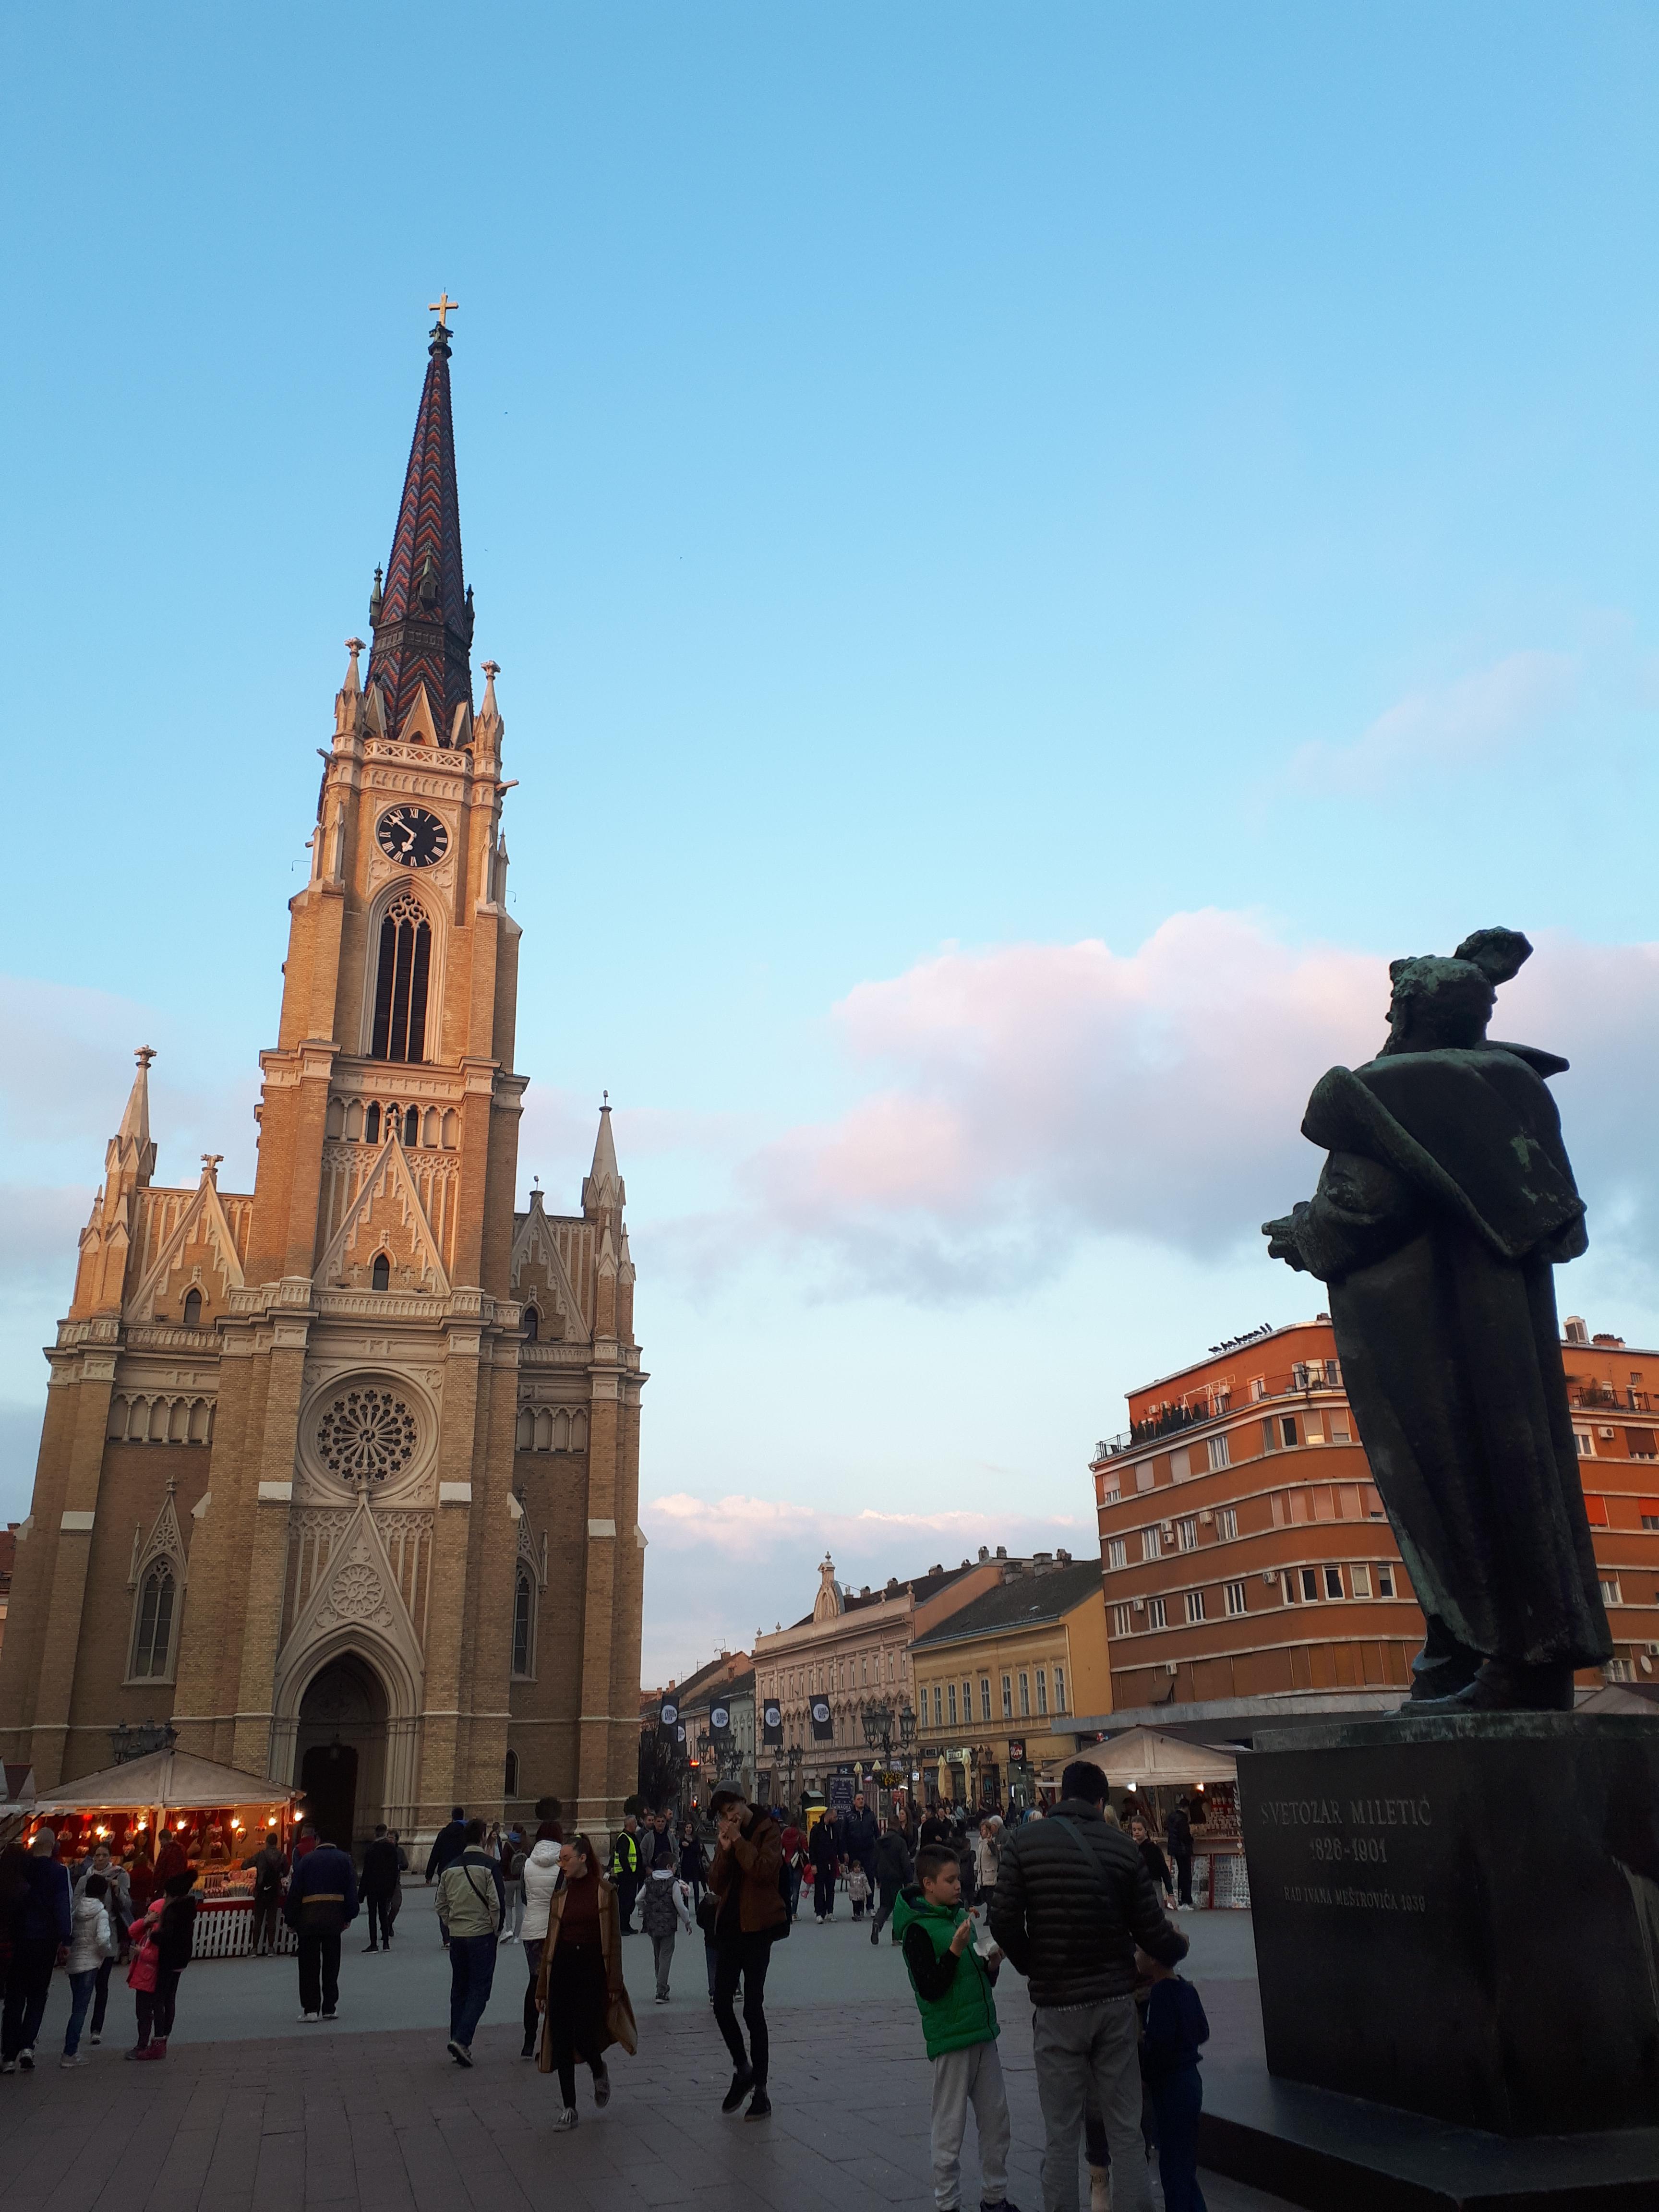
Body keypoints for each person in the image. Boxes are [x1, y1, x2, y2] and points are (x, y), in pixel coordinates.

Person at [989, 1760, 1187, 2212]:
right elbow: (1152, 1932)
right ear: (1101, 1802)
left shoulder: (1023, 1843)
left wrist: (1033, 1964)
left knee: (1061, 2134)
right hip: (1115, 2003)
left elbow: (1001, 1919)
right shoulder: (1123, 1848)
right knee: (1125, 2129)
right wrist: (1178, 1949)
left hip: (1057, 2007)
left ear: (1061, 1795)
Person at [896, 1842, 1019, 2212]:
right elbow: (931, 1988)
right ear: (928, 1884)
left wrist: (991, 1966)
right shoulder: (919, 1931)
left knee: (997, 2122)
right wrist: (953, 1950)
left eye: (958, 1879)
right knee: (949, 2128)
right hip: (951, 2039)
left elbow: (973, 1978)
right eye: (950, 1881)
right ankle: (947, 2203)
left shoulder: (955, 1918)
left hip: (983, 2032)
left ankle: (995, 2197)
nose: (958, 1886)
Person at [534, 1834, 635, 2129]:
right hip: (563, 1970)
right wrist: (542, 1988)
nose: (561, 1864)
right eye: (559, 1859)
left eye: (566, 1858)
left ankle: (597, 2067)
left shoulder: (605, 1892)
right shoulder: (560, 1897)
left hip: (592, 1971)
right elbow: (549, 1945)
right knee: (562, 2037)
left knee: (584, 2034)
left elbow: (614, 1941)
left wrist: (614, 1983)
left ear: (582, 1858)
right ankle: (569, 2107)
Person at [705, 1783, 784, 2121]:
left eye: (732, 1809)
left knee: (753, 2008)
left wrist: (737, 1842)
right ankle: (743, 2068)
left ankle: (762, 2092)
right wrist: (724, 1850)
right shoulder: (730, 1836)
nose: (730, 1817)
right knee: (722, 2004)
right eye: (724, 1815)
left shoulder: (769, 1830)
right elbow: (715, 1884)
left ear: (743, 1801)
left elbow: (765, 1872)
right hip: (731, 1929)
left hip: (758, 1930)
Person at [1138, 1945, 1211, 2212]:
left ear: (1154, 1959)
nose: (1135, 1958)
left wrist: (1145, 2067)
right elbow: (1202, 2031)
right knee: (1185, 2163)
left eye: (1139, 1952)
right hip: (1192, 2080)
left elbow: (1159, 2047)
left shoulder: (1160, 1993)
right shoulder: (1186, 1988)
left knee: (1171, 2166)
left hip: (1171, 2088)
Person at [436, 1817, 506, 2066]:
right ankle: (462, 2040)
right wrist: (496, 1930)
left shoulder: (450, 1867)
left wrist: (452, 1923)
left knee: (459, 1989)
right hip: (482, 1935)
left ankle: (457, 2038)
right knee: (479, 1989)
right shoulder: (490, 1866)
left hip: (458, 1935)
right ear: (483, 1837)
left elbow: (440, 1905)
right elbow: (497, 1903)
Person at [1, 1827, 71, 2073]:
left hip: (19, 1940)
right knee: (38, 1995)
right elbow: (64, 1905)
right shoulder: (59, 1872)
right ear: (53, 1847)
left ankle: (8, 2054)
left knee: (14, 1997)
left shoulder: (20, 1869)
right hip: (45, 1941)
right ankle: (28, 2047)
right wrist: (66, 1940)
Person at [284, 1824, 358, 2023]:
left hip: (308, 1919)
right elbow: (351, 1891)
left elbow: (295, 1893)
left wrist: (291, 1919)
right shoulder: (345, 1860)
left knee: (309, 1965)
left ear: (317, 1839)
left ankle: (311, 2009)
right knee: (332, 1964)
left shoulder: (307, 1861)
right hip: (334, 1918)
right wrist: (349, 1916)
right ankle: (329, 2007)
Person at [125, 1868, 196, 2061]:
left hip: (169, 1959)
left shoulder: (173, 1910)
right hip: (180, 1960)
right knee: (168, 1999)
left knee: (160, 2001)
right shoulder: (187, 1908)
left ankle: (158, 2041)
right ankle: (162, 2039)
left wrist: (153, 1936)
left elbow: (168, 1937)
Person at [73, 1844, 132, 2043]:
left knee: (102, 1984)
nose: (100, 1859)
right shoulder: (84, 1879)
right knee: (83, 1985)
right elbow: (75, 1904)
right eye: (97, 1855)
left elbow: (127, 1905)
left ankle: (96, 2028)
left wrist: (117, 1891)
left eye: (104, 1855)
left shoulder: (119, 1875)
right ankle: (78, 2023)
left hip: (109, 1933)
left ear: (110, 1857)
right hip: (86, 1935)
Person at [518, 1820, 563, 2059]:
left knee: (535, 1982)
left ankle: (528, 2042)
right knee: (555, 1984)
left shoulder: (528, 1863)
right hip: (554, 1930)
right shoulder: (562, 1864)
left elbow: (525, 1897)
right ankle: (551, 2040)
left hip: (531, 1929)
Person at [60, 1871, 114, 2067]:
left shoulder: (76, 1910)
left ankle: (70, 2049)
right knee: (80, 2010)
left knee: (76, 2007)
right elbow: (103, 1939)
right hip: (90, 1963)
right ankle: (70, 2052)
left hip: (75, 1961)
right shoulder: (101, 1913)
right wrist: (105, 1951)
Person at [638, 1850, 695, 2003]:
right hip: (668, 1924)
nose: (676, 1869)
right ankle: (661, 1990)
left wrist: (647, 1910)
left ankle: (660, 1983)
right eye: (675, 1866)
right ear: (669, 1867)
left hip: (652, 1923)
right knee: (666, 1956)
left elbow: (639, 1899)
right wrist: (687, 1922)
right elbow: (680, 1905)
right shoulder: (673, 1883)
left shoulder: (649, 1881)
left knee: (657, 1955)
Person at [425, 1807, 468, 1943]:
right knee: (461, 1904)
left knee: (444, 1903)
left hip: (445, 1872)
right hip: (463, 1872)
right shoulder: (467, 1833)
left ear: (452, 1817)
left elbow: (436, 1853)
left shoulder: (444, 1833)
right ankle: (459, 1934)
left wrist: (429, 1874)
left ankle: (446, 1937)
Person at [873, 1819, 915, 1944]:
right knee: (898, 1908)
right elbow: (905, 1862)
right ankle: (896, 1936)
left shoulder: (879, 1842)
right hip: (897, 1879)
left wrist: (878, 1878)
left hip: (884, 1878)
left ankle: (877, 1924)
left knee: (885, 1905)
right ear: (897, 1826)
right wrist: (909, 1880)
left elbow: (875, 1861)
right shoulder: (900, 1842)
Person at [246, 1830, 287, 1958]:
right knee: (272, 1920)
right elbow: (286, 1872)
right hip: (274, 1892)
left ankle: (254, 1948)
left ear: (267, 1842)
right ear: (276, 1842)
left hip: (261, 1891)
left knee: (258, 1920)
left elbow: (245, 1865)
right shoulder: (282, 1856)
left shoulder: (261, 1855)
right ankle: (271, 1947)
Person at [361, 1824, 400, 1953]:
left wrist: (361, 1893)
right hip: (386, 1887)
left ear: (376, 1834)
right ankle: (386, 1943)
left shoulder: (371, 1848)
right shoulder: (391, 1848)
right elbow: (395, 1870)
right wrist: (393, 1887)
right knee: (383, 1913)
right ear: (385, 1833)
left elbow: (366, 1872)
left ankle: (373, 1944)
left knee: (372, 1915)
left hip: (373, 1887)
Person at [1129, 1817, 1176, 1909]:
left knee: (1157, 1910)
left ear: (1146, 1831)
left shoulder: (1154, 1849)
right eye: (1134, 1830)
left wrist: (1170, 1892)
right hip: (1138, 1885)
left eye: (1140, 1829)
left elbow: (1164, 1870)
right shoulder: (1132, 1848)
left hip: (1154, 1884)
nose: (1137, 1832)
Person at [609, 1813, 643, 1932]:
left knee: (629, 1902)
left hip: (632, 1875)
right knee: (625, 1902)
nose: (636, 1826)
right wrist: (629, 1872)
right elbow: (623, 1857)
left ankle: (626, 1926)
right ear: (631, 1824)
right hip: (626, 1876)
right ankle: (622, 1927)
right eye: (635, 1823)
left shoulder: (631, 1836)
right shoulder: (624, 1838)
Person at [843, 1791, 879, 1896]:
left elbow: (876, 1832)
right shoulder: (849, 1816)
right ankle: (857, 1907)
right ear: (854, 1802)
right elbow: (844, 1835)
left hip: (868, 1851)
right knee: (856, 1881)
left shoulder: (870, 1814)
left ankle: (870, 1906)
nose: (861, 1801)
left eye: (862, 1799)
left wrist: (877, 1847)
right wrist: (845, 1851)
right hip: (854, 1851)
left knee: (869, 1878)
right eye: (859, 1799)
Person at [809, 1811, 841, 1921]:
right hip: (820, 1862)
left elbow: (838, 1844)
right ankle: (819, 1912)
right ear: (830, 1816)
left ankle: (830, 1911)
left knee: (831, 1888)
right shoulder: (817, 1830)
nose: (837, 1819)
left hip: (832, 1862)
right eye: (835, 1817)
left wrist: (841, 1860)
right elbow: (812, 1847)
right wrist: (813, 1864)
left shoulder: (835, 1829)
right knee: (819, 1889)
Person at [1165, 1801, 1194, 1912]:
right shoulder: (1182, 1819)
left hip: (1175, 1849)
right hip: (1183, 1850)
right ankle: (1185, 1900)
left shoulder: (1171, 1818)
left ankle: (1183, 1900)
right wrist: (1191, 1839)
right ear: (1186, 1808)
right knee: (1186, 1875)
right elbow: (1184, 1835)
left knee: (1182, 1874)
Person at [777, 1819, 804, 1922]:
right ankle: (794, 1913)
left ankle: (787, 1910)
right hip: (797, 1864)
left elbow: (780, 1847)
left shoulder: (784, 1835)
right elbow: (806, 1848)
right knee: (796, 1889)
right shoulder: (800, 1835)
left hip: (787, 1862)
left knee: (788, 1888)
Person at [679, 1819, 707, 1912]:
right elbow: (680, 1850)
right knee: (685, 1887)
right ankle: (686, 1906)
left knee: (696, 1887)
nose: (688, 1829)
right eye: (687, 1827)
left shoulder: (696, 1838)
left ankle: (697, 1907)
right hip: (685, 1865)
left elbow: (698, 1850)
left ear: (693, 1829)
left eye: (690, 1828)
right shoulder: (682, 1838)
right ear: (685, 1828)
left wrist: (689, 1845)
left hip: (695, 1865)